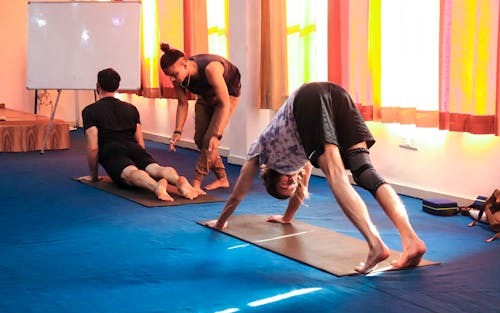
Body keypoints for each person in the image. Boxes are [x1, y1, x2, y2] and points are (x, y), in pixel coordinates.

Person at [207, 81, 427, 274]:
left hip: (307, 99)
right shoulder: (303, 165)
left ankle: (375, 245)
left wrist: (221, 221)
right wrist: (286, 218)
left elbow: (237, 195)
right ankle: (412, 241)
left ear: (272, 179)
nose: (291, 183)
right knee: (365, 172)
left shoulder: (261, 153)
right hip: (336, 93)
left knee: (336, 173)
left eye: (284, 185)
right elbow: (300, 191)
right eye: (289, 188)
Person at [80, 68, 198, 202]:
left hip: (111, 150)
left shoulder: (90, 111)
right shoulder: (131, 108)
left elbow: (93, 147)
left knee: (130, 173)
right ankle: (178, 180)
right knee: (155, 168)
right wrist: (142, 160)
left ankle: (156, 186)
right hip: (134, 147)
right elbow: (140, 141)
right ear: (117, 86)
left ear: (97, 86)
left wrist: (93, 176)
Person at [159, 43, 241, 195]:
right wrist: (178, 131)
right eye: (168, 75)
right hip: (205, 96)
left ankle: (196, 183)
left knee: (210, 140)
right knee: (199, 139)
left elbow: (224, 104)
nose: (172, 79)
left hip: (227, 97)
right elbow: (183, 104)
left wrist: (217, 135)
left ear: (184, 64)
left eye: (174, 74)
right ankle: (223, 179)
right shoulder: (178, 78)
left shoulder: (211, 69)